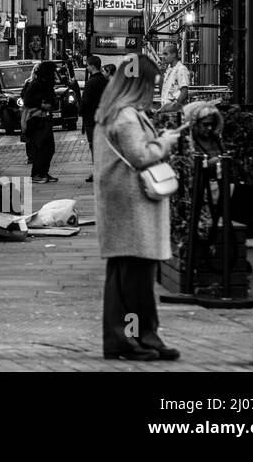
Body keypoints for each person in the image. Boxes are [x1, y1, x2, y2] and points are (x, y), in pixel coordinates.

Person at [94, 53, 182, 361]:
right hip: (131, 207)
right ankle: (133, 340)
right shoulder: (126, 115)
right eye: (152, 84)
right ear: (137, 84)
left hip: (124, 206)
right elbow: (140, 156)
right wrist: (166, 142)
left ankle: (140, 337)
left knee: (128, 277)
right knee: (134, 278)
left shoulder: (116, 112)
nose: (154, 91)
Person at [21, 60, 59, 183]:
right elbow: (27, 101)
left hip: (45, 118)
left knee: (49, 148)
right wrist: (42, 105)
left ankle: (43, 172)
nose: (54, 74)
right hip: (36, 119)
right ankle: (36, 174)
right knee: (41, 148)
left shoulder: (47, 83)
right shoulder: (36, 84)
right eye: (52, 72)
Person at [79, 54, 109, 184]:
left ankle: (97, 171)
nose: (87, 68)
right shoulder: (105, 81)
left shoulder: (91, 82)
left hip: (91, 119)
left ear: (92, 66)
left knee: (94, 146)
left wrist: (80, 113)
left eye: (87, 65)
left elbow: (85, 101)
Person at [159, 43, 191, 115]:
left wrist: (175, 107)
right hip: (166, 110)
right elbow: (163, 91)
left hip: (175, 112)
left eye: (166, 54)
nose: (163, 57)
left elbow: (184, 92)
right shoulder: (169, 70)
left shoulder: (181, 69)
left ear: (174, 55)